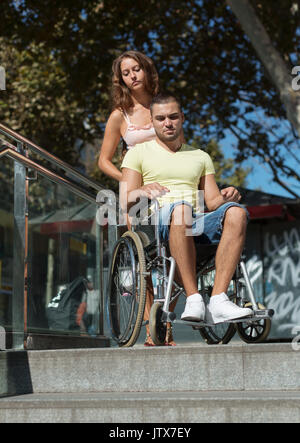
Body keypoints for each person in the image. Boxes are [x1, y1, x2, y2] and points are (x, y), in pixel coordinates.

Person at [120, 92, 253, 328]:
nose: (167, 123)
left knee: (237, 212)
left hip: (194, 220)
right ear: (152, 122)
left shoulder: (200, 156)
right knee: (181, 210)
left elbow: (212, 202)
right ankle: (193, 298)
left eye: (173, 117)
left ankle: (219, 299)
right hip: (156, 223)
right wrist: (141, 189)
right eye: (161, 118)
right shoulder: (137, 153)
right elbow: (125, 200)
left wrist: (227, 196)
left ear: (182, 117)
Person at [98, 51, 176, 345]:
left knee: (173, 259)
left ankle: (165, 325)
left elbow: (178, 143)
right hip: (136, 193)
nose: (132, 75)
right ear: (122, 79)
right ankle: (150, 328)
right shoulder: (121, 115)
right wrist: (128, 180)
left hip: (167, 186)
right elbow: (104, 161)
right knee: (144, 260)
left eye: (137, 69)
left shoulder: (164, 106)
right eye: (126, 72)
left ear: (146, 70)